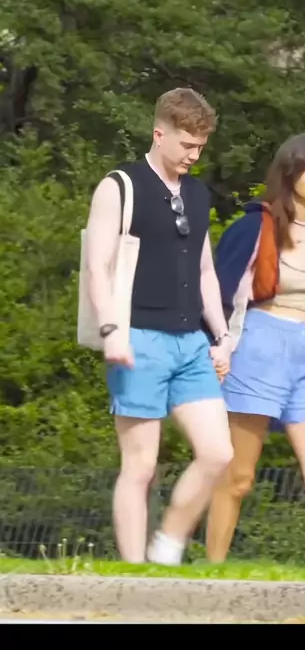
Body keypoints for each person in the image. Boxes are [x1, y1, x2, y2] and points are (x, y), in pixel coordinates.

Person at [85, 88, 234, 565]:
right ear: (159, 133)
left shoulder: (197, 193)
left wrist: (223, 336)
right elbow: (97, 266)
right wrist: (111, 332)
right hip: (138, 337)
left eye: (200, 147)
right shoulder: (120, 185)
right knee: (141, 465)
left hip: (191, 341)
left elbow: (205, 271)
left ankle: (167, 544)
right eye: (187, 145)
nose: (194, 155)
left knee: (218, 453)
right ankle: (134, 573)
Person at [205, 132, 305, 574]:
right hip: (259, 347)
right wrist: (215, 348)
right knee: (238, 476)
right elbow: (216, 292)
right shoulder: (257, 226)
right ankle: (211, 572)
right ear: (290, 173)